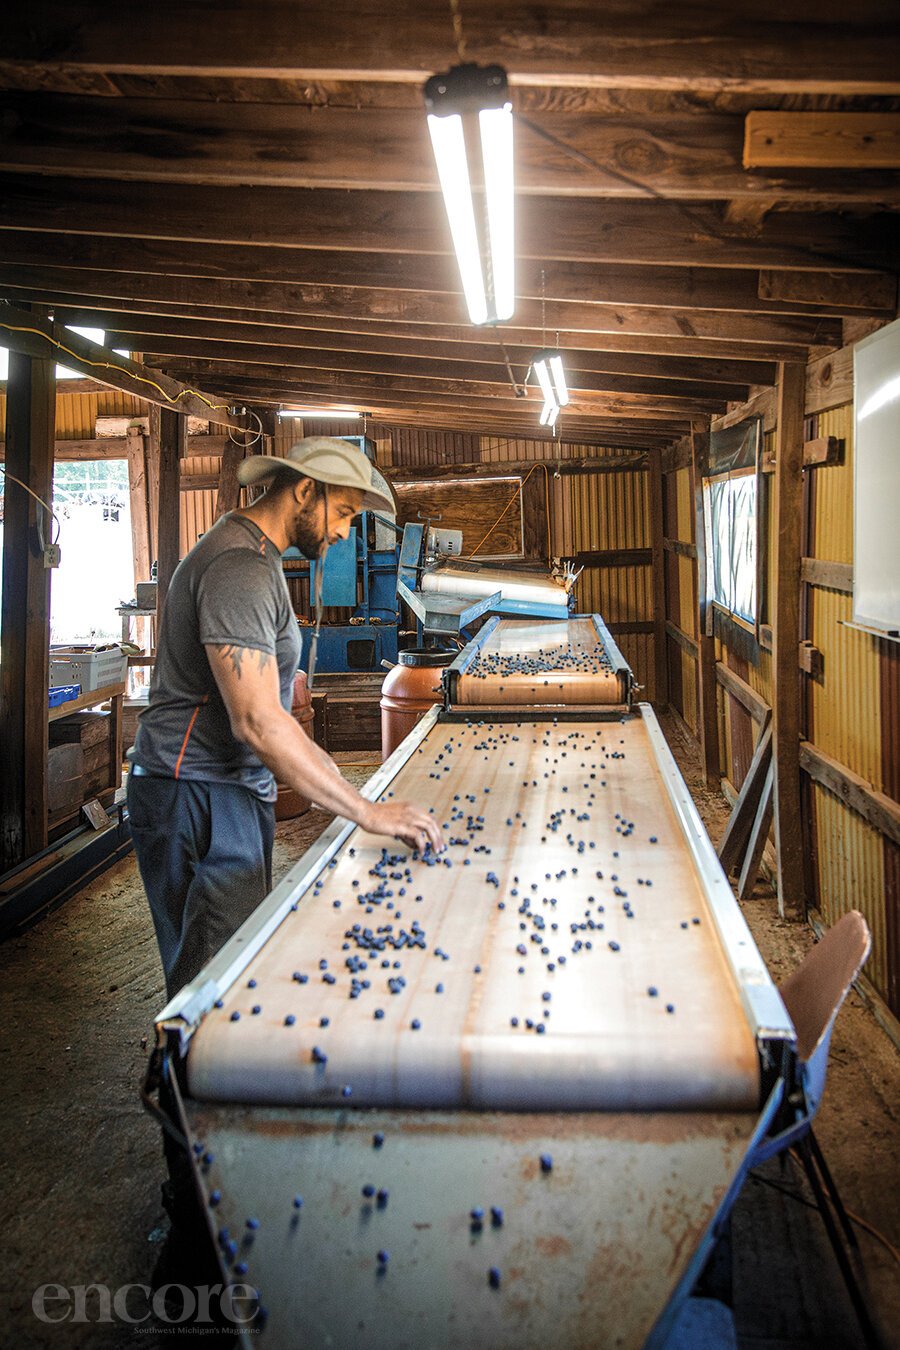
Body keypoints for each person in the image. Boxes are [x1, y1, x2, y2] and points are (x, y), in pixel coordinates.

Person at [128, 436, 444, 1002]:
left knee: (231, 959)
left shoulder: (258, 559)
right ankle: (187, 1088)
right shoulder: (239, 569)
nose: (346, 531)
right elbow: (255, 721)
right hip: (197, 791)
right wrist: (366, 812)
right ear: (304, 491)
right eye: (344, 511)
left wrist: (341, 785)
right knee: (213, 987)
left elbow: (274, 714)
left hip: (221, 788)